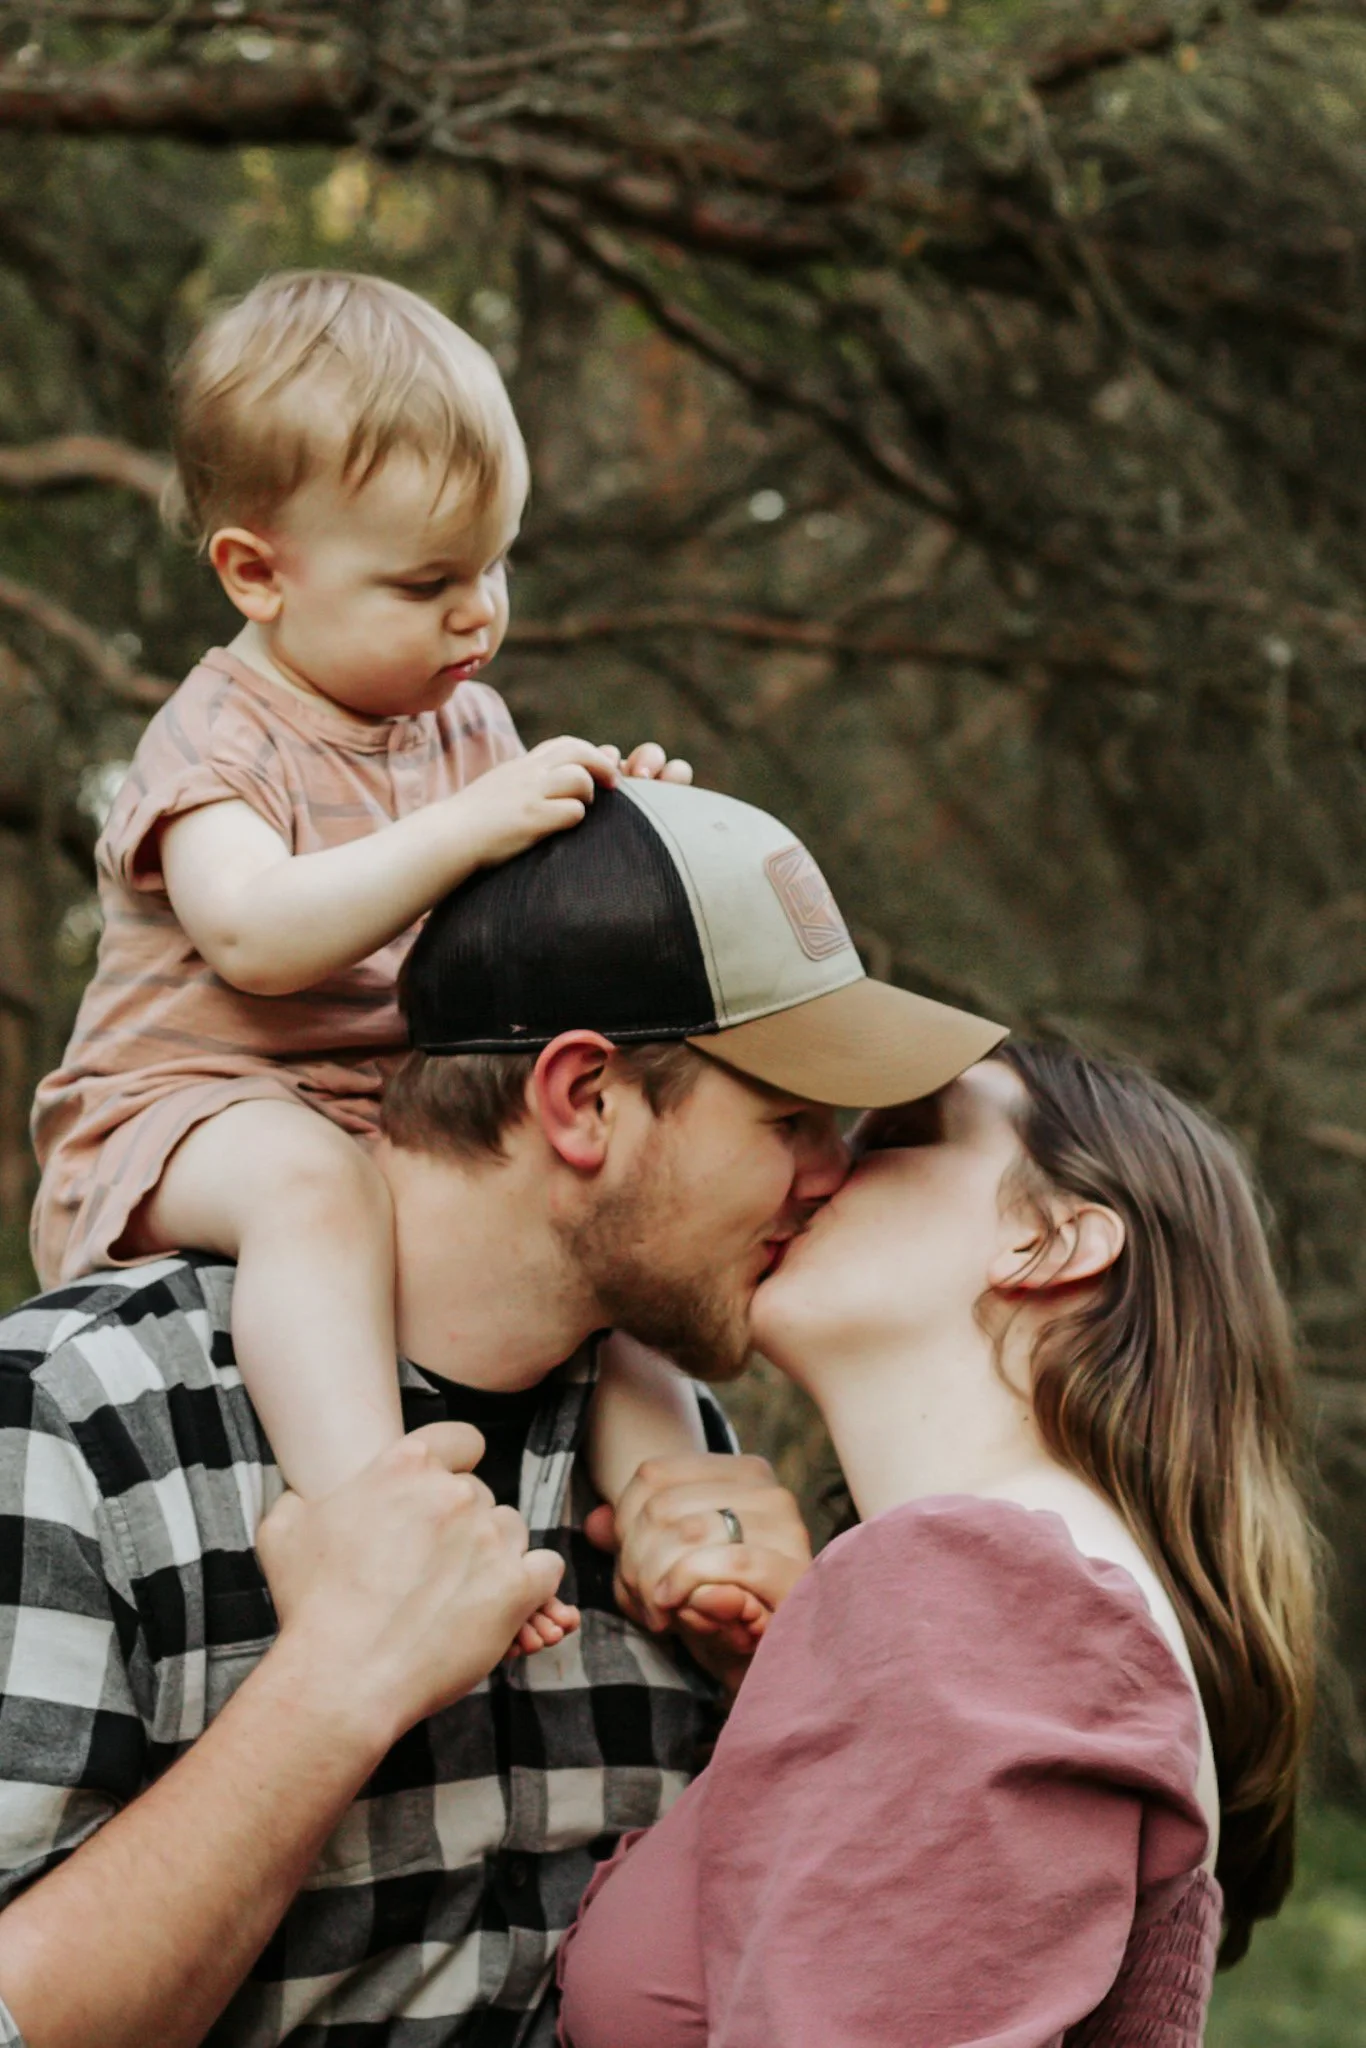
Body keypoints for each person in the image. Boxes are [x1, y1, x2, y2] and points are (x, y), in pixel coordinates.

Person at [0, 777, 1004, 2046]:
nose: (831, 1176)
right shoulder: (80, 1413)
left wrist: (787, 1690)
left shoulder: (675, 1447)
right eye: (789, 1117)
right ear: (582, 1098)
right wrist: (333, 1686)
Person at [28, 270, 707, 1641]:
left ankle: (686, 1522)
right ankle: (370, 1522)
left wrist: (616, 819)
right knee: (313, 1188)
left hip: (386, 1118)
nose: (478, 614)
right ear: (256, 571)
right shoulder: (221, 739)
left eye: (494, 565)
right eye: (426, 582)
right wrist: (470, 825)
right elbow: (256, 934)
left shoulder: (464, 726)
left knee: (596, 1226)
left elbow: (516, 922)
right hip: (183, 1114)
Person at [557, 1040, 1321, 2048]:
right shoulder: (1012, 1606)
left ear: (1050, 1240)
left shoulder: (992, 1600)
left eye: (901, 1136)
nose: (818, 1167)